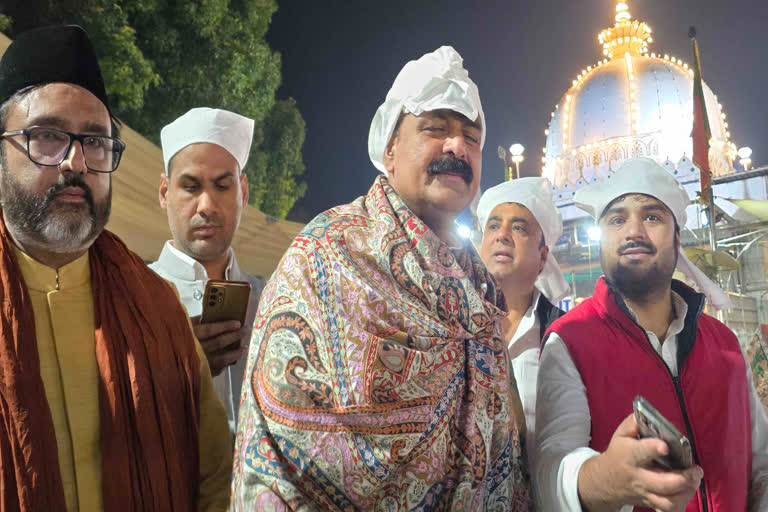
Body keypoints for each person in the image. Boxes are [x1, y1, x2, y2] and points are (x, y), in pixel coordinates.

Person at [232, 46, 532, 510]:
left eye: (471, 137)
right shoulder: (329, 254)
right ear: (390, 150)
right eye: (436, 129)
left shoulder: (479, 284)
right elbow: (293, 450)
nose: (457, 147)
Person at [0, 25, 231, 510]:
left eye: (95, 142)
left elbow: (215, 474)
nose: (76, 163)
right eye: (47, 136)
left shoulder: (157, 307)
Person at [534, 157, 768, 511]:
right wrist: (606, 480)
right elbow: (552, 467)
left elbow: (760, 462)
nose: (634, 231)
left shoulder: (725, 345)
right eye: (617, 219)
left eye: (653, 217)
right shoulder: (569, 340)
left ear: (677, 239)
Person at [150, 107, 264, 431]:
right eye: (190, 187)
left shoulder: (274, 301)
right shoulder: (128, 297)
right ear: (164, 193)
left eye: (222, 186)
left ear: (243, 192)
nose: (207, 206)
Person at [476, 177, 569, 459]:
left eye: (518, 227)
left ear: (542, 257)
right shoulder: (451, 325)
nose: (502, 235)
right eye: (493, 226)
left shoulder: (567, 338)